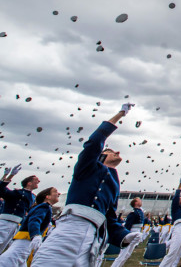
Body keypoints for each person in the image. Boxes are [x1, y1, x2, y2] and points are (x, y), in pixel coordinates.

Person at [32, 104, 143, 266]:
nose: (118, 153)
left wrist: (125, 235)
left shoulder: (114, 182)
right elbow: (94, 142)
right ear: (101, 157)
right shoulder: (87, 168)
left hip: (91, 238)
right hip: (69, 230)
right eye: (112, 152)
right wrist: (120, 114)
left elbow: (110, 217)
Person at [0, 186, 59, 266]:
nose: (58, 193)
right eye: (55, 191)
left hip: (27, 239)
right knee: (10, 259)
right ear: (47, 197)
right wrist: (35, 234)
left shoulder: (44, 207)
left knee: (19, 261)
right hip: (26, 238)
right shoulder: (44, 207)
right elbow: (35, 220)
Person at [0, 167, 38, 252]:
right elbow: (1, 189)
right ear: (29, 183)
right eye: (36, 180)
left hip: (15, 225)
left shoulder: (32, 197)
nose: (38, 181)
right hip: (4, 222)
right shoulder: (17, 193)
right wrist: (10, 175)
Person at [159, 177, 181, 267]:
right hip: (179, 228)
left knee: (179, 252)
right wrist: (180, 186)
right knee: (172, 252)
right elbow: (176, 197)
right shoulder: (175, 207)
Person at [111, 197, 145, 266]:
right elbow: (128, 225)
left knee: (127, 254)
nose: (141, 201)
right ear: (135, 203)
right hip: (131, 232)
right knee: (123, 254)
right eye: (139, 200)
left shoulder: (140, 211)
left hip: (137, 232)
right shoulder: (133, 213)